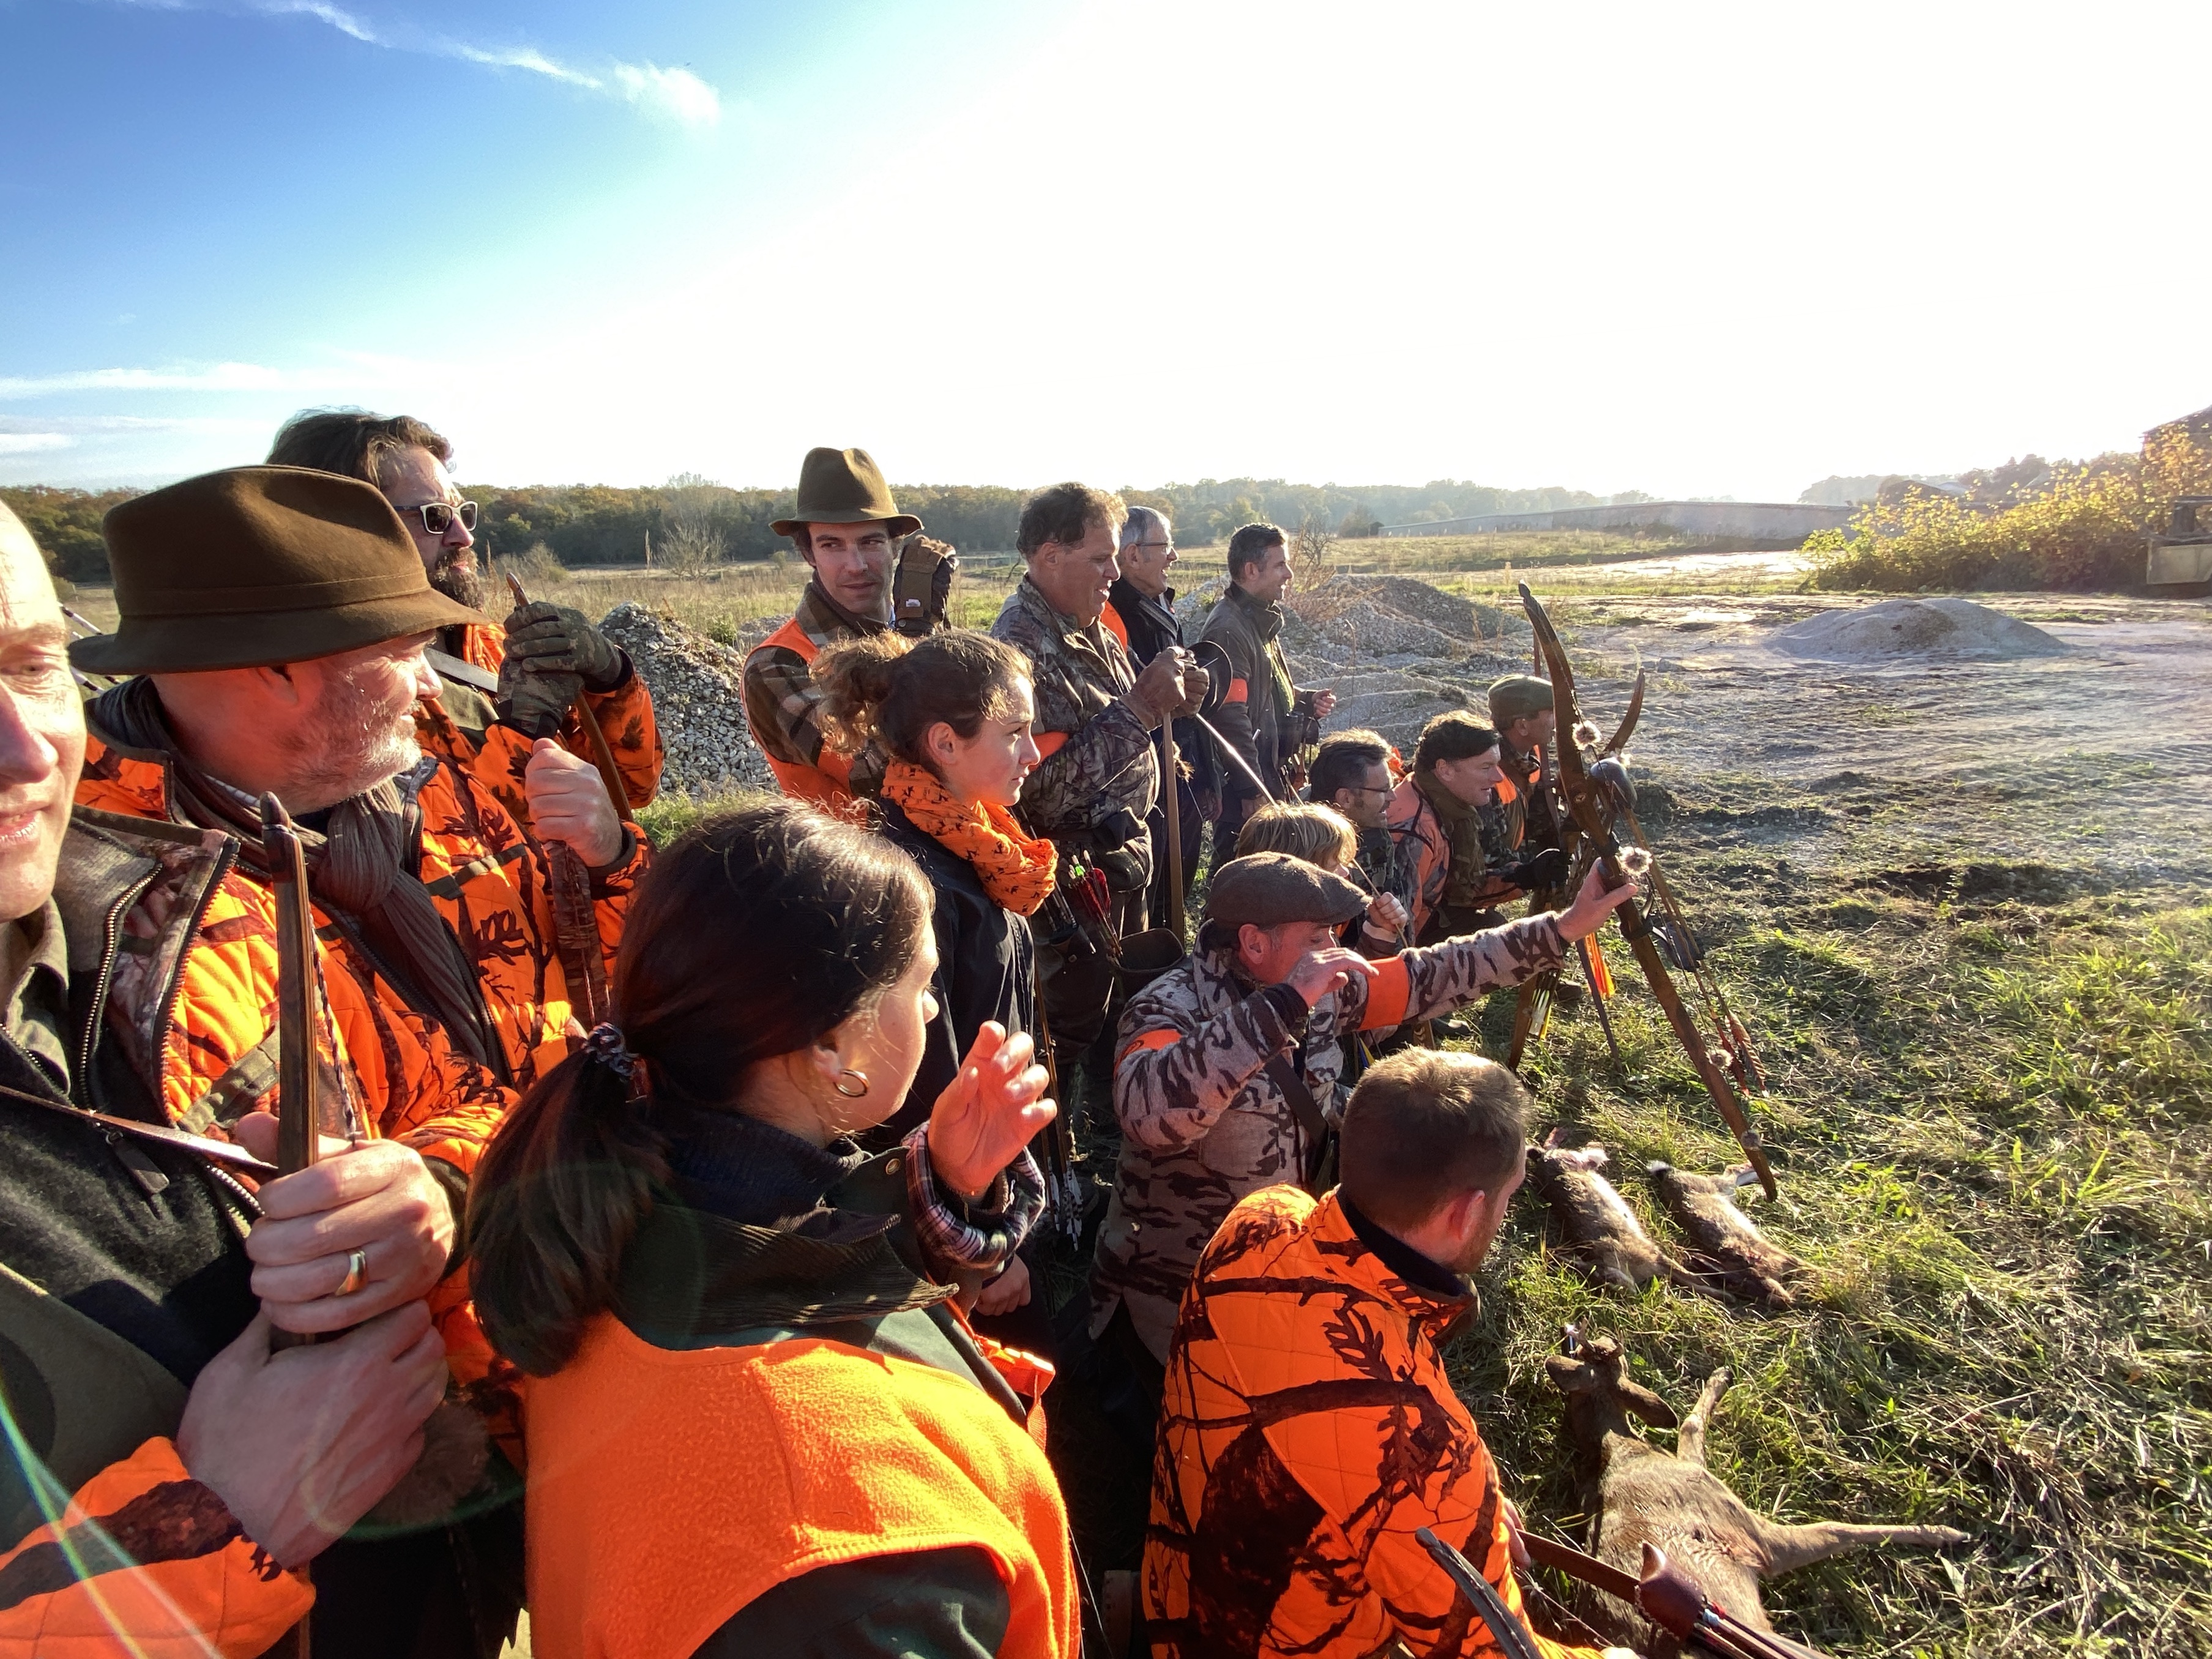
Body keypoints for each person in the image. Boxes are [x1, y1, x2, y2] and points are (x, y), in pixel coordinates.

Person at [0, 503, 499, 1655]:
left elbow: (459, 1105)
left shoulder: (169, 908)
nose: (29, 750)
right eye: (396, 649)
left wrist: (431, 1194)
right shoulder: (193, 893)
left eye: (33, 665)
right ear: (277, 671)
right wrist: (212, 1526)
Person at [467, 802, 1080, 1658]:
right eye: (920, 985)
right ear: (832, 1046)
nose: (935, 1008)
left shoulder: (612, 1217)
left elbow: (779, 1278)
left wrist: (939, 1184)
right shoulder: (842, 1545)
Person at [73, 466, 644, 1099]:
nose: (433, 685)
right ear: (279, 670)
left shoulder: (421, 786)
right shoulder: (151, 923)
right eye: (406, 653)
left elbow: (605, 981)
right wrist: (537, 1139)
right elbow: (339, 1153)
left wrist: (607, 861)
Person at [1087, 851, 1633, 1397]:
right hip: (1175, 1298)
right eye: (1317, 936)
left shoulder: (1320, 986)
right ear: (1253, 943)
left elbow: (1433, 974)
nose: (1334, 948)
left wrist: (1563, 927)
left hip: (1275, 1270)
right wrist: (1281, 1006)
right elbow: (1148, 1115)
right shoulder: (1167, 1006)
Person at [1144, 1048, 1632, 1659]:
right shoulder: (1423, 1449)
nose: (1504, 1213)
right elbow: (1493, 1652)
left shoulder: (1260, 1218)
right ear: (1466, 1213)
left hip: (1171, 1601)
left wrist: (1468, 1511)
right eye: (1507, 1197)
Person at [267, 409, 665, 829]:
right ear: (343, 531)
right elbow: (460, 850)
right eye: (435, 517)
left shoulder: (495, 644)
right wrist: (524, 736)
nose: (464, 536)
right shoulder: (344, 688)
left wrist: (612, 680)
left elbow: (631, 791)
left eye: (463, 513)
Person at [814, 628, 1054, 1323]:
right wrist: (984, 1245)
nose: (1034, 753)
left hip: (993, 1164)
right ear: (945, 743)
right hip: (951, 1207)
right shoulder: (912, 880)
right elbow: (920, 1081)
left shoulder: (979, 845)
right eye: (1014, 733)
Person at [991, 483, 1193, 1054]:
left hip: (1119, 862)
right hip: (1072, 884)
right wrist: (1142, 708)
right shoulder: (1018, 652)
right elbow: (1034, 794)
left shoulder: (1093, 626)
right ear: (1050, 556)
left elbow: (1124, 716)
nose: (1114, 572)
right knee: (1078, 1029)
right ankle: (1083, 1110)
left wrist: (1176, 700)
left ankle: (1123, 1100)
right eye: (1100, 558)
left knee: (1130, 1007)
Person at [744, 446, 955, 814]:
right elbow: (883, 774)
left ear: (894, 546)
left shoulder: (924, 631)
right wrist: (917, 644)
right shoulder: (779, 664)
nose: (856, 565)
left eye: (870, 542)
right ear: (808, 554)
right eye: (832, 545)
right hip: (858, 851)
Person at [1197, 522, 1335, 860]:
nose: (1289, 574)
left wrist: (1305, 699)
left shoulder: (1257, 620)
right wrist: (1251, 789)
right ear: (1251, 570)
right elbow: (1230, 717)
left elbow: (1264, 689)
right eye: (1280, 565)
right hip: (1247, 786)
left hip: (1269, 773)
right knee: (1241, 869)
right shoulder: (1229, 629)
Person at [1104, 507, 1217, 920]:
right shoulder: (1110, 617)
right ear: (1133, 555)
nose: (1174, 556)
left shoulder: (1159, 608)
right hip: (1144, 790)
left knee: (1176, 891)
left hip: (1179, 778)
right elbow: (1122, 706)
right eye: (1166, 546)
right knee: (1150, 905)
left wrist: (1206, 777)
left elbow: (1188, 707)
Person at [1386, 711, 1568, 945]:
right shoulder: (1414, 832)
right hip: (1404, 944)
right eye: (1486, 767)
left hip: (1429, 918)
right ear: (1445, 770)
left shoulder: (1450, 803)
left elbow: (1459, 888)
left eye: (1497, 765)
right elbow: (1395, 934)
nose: (1498, 777)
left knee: (1491, 927)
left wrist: (1526, 876)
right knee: (1494, 942)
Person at [1232, 801, 1407, 954]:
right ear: (1294, 875)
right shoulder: (1276, 933)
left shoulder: (1316, 919)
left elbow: (1346, 978)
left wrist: (1380, 930)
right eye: (1333, 866)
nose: (1345, 873)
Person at [1486, 674, 1563, 868]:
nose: (1557, 722)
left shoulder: (1533, 753)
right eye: (1551, 713)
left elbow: (1537, 818)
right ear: (1522, 726)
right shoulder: (1487, 773)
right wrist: (1537, 867)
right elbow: (1490, 857)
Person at [1306, 726, 1398, 885]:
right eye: (1383, 790)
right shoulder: (1300, 848)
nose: (1393, 797)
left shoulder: (1377, 836)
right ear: (1346, 798)